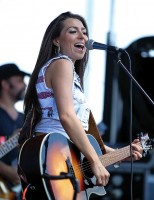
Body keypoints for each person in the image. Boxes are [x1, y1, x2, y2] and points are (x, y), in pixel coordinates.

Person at [18, 11, 143, 200]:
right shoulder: (62, 63)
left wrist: (122, 154)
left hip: (57, 155)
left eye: (84, 32)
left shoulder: (61, 69)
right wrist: (96, 162)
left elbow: (83, 140)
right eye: (73, 31)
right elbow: (67, 117)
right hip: (56, 155)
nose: (82, 36)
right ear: (56, 41)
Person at [0, 63, 30, 199]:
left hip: (16, 191)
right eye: (19, 80)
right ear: (5, 84)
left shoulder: (24, 119)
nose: (24, 85)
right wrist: (8, 171)